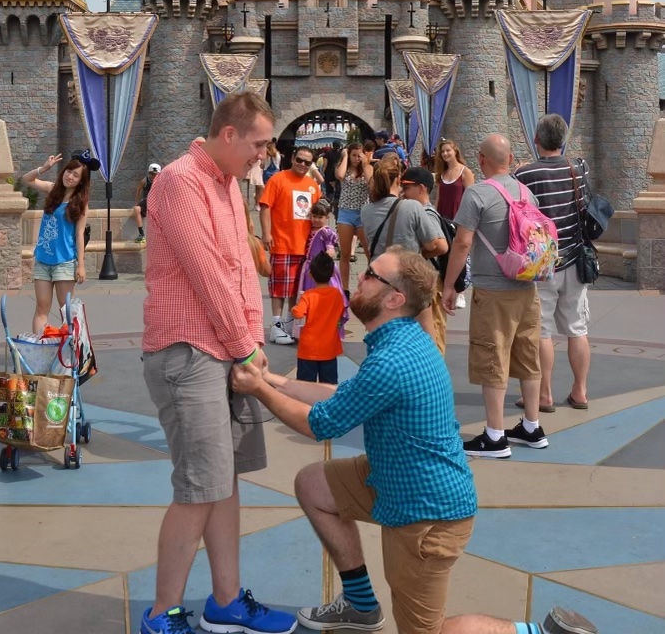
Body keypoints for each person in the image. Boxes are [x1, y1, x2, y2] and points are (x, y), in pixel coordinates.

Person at [231, 247, 597, 634]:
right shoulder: (399, 340)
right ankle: (359, 604)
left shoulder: (393, 360)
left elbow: (320, 423)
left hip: (428, 516)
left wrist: (257, 388)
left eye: (372, 274)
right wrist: (278, 382)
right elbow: (345, 396)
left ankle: (542, 633)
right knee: (314, 484)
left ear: (394, 299)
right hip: (396, 482)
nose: (360, 276)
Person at [140, 91, 296, 634]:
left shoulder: (230, 186)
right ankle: (162, 615)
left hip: (226, 353)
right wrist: (249, 350)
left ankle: (226, 601)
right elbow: (207, 276)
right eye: (258, 144)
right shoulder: (181, 181)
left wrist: (248, 348)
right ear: (228, 134)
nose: (263, 155)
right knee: (200, 486)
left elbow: (240, 277)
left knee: (224, 481)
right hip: (189, 352)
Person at [443, 134, 548, 460]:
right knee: (527, 356)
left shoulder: (478, 193)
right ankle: (532, 427)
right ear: (511, 158)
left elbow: (462, 243)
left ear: (481, 159)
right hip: (527, 288)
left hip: (493, 290)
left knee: (493, 357)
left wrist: (450, 285)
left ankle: (495, 436)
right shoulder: (526, 192)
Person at [514, 114, 592, 411]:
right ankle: (580, 391)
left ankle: (544, 395)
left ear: (536, 140)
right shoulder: (579, 169)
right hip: (575, 259)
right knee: (577, 328)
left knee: (542, 331)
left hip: (541, 263)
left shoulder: (525, 175)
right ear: (563, 140)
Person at [22, 150, 96, 335]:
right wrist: (43, 168)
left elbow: (80, 235)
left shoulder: (80, 203)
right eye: (68, 171)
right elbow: (27, 179)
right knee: (41, 308)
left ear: (81, 181)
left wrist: (81, 265)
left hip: (64, 262)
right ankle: (41, 348)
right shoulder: (52, 189)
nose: (70, 176)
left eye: (75, 175)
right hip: (43, 260)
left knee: (66, 312)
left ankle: (70, 352)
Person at [259, 145, 321, 345]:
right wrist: (266, 233)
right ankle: (276, 326)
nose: (302, 164)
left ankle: (290, 323)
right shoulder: (278, 179)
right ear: (292, 158)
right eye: (299, 160)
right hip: (282, 241)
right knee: (279, 287)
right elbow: (265, 207)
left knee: (296, 288)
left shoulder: (312, 185)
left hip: (305, 245)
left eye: (307, 162)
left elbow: (318, 214)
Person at [400, 166, 450, 353]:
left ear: (421, 188)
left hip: (432, 280)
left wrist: (418, 255)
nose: (403, 192)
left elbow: (441, 246)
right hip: (427, 280)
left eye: (407, 187)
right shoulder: (418, 211)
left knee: (433, 331)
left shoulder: (427, 213)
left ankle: (436, 375)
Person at [291, 252, 345, 383]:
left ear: (310, 275)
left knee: (305, 385)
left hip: (309, 348)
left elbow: (298, 313)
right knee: (329, 385)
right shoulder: (337, 294)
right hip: (330, 347)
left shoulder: (308, 295)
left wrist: (294, 308)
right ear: (332, 274)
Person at [435, 139, 475, 309]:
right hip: (443, 219)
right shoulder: (441, 174)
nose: (445, 154)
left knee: (460, 255)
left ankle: (460, 292)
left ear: (455, 151)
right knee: (445, 254)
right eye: (443, 151)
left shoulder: (465, 172)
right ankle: (446, 287)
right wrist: (435, 216)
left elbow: (471, 197)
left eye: (448, 151)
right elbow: (438, 198)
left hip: (459, 219)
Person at [334, 142, 373, 295]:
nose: (356, 159)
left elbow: (371, 183)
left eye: (359, 155)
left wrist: (365, 163)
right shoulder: (344, 167)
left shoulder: (367, 169)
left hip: (363, 213)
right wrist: (344, 156)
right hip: (346, 212)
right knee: (345, 254)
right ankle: (344, 288)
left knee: (369, 253)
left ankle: (370, 285)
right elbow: (340, 175)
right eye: (354, 155)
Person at [134, 163, 162, 243]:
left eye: (155, 174)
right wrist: (136, 202)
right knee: (136, 209)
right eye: (151, 174)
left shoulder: (161, 181)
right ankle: (141, 234)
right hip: (146, 201)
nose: (153, 176)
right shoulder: (145, 180)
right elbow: (138, 190)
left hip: (157, 202)